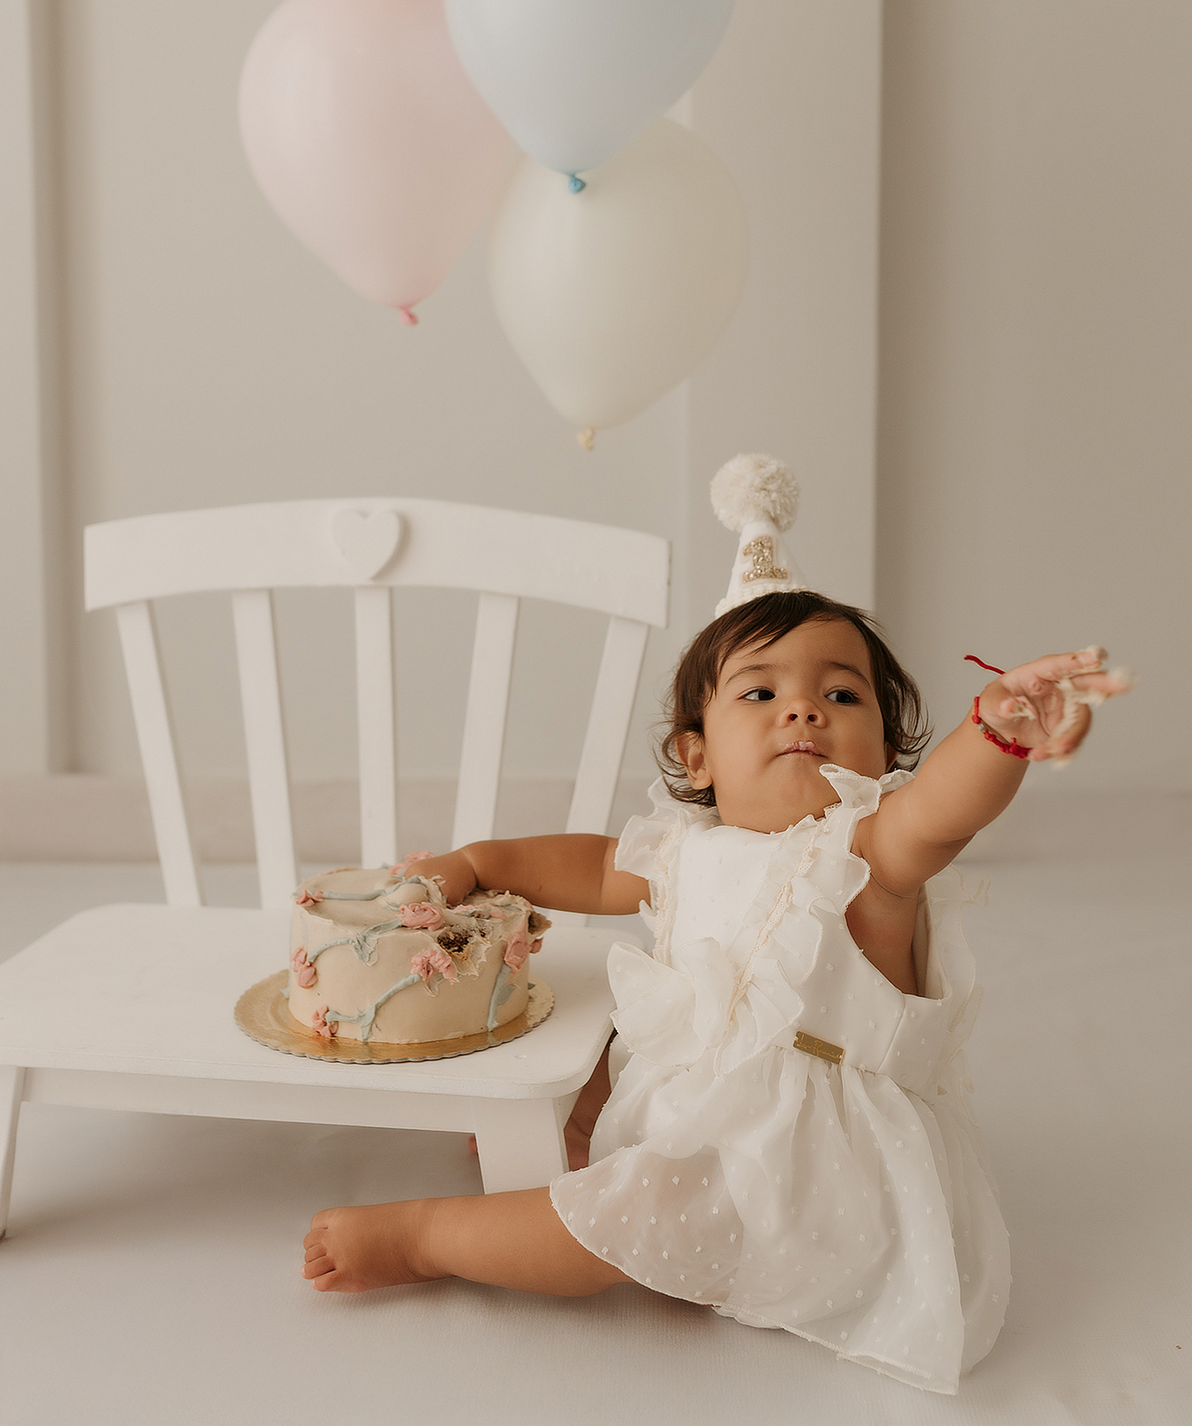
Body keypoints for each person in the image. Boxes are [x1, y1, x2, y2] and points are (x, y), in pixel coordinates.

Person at [301, 455, 1129, 1394]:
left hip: (803, 1168)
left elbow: (940, 813)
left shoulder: (867, 855)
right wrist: (482, 861)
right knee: (599, 1041)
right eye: (760, 693)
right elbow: (587, 865)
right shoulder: (688, 848)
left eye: (842, 694)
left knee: (625, 1219)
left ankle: (427, 1238)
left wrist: (999, 731)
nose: (803, 707)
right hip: (709, 1096)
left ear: (887, 755)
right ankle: (587, 1134)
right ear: (697, 756)